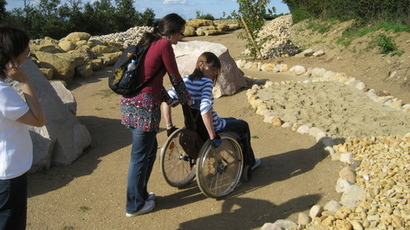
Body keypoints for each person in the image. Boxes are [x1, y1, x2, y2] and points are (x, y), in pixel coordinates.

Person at [120, 13, 191, 217]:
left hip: (129, 104)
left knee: (149, 151)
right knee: (140, 157)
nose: (180, 38)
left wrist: (167, 100)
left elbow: (149, 78)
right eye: (180, 33)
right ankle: (134, 206)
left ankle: (140, 195)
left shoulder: (149, 42)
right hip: (144, 109)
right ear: (172, 31)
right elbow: (175, 77)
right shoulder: (163, 45)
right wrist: (186, 99)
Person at [162, 52, 261, 174]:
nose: (215, 73)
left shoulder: (186, 80)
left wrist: (169, 126)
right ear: (201, 65)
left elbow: (166, 101)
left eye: (217, 70)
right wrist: (212, 136)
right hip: (211, 126)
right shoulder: (206, 82)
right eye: (212, 68)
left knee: (232, 119)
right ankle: (249, 163)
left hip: (192, 126)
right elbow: (205, 110)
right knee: (242, 125)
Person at [0, 26, 46, 230]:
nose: (26, 58)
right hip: (9, 172)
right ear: (11, 56)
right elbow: (38, 119)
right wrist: (26, 81)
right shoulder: (3, 93)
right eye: (25, 53)